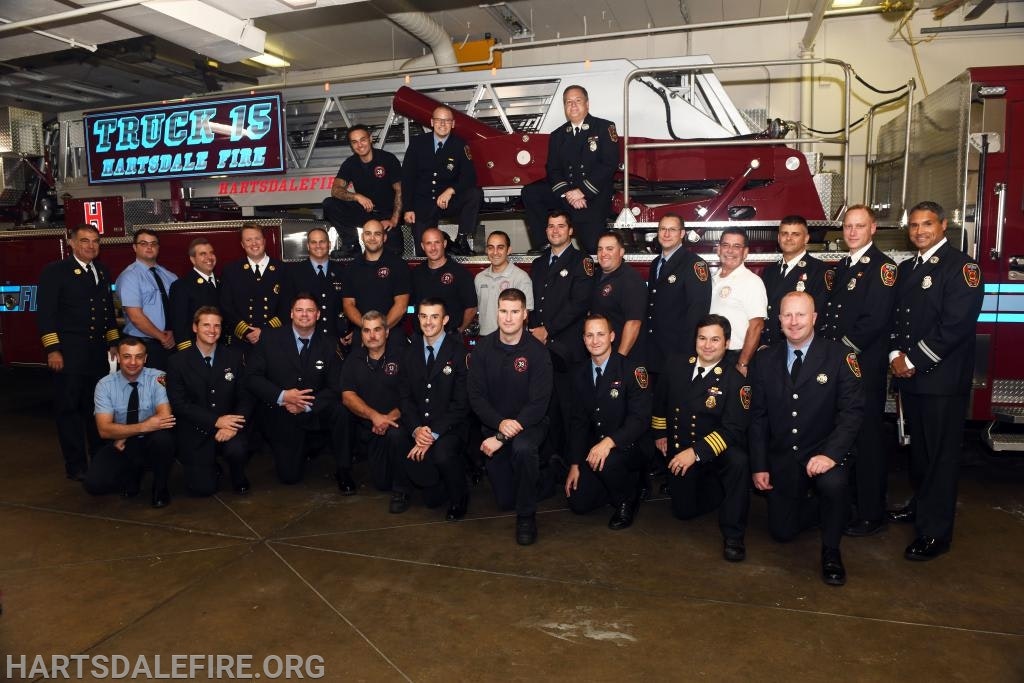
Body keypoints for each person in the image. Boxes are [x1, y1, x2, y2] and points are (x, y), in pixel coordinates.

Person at [888, 201, 984, 561]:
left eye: (927, 224)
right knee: (921, 453)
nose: (919, 231)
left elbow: (955, 326)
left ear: (944, 225)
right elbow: (898, 319)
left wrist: (911, 359)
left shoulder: (962, 268)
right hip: (911, 378)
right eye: (914, 225)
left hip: (941, 381)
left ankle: (935, 533)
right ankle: (920, 505)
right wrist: (894, 355)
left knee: (940, 457)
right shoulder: (910, 267)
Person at [749, 292, 864, 586]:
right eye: (787, 315)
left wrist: (831, 455)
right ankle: (817, 508)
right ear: (779, 320)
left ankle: (831, 550)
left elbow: (852, 413)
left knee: (833, 484)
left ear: (814, 318)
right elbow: (758, 417)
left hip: (823, 451)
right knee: (782, 533)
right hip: (784, 456)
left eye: (801, 315)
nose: (794, 322)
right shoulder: (764, 360)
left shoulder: (840, 357)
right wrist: (759, 465)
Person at [818, 205, 898, 537]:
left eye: (859, 226)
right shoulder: (843, 265)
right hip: (844, 365)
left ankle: (871, 513)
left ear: (873, 229)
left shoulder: (883, 267)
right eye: (848, 227)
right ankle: (850, 504)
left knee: (867, 441)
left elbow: (874, 321)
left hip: (863, 366)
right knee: (845, 436)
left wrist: (837, 354)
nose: (852, 232)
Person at [652, 314, 750, 561]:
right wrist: (661, 433)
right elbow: (660, 402)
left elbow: (733, 429)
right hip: (680, 447)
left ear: (726, 343)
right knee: (683, 512)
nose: (707, 345)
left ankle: (733, 535)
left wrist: (695, 453)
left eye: (715, 340)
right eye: (702, 338)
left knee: (739, 462)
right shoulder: (675, 364)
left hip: (716, 451)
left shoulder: (735, 380)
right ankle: (715, 491)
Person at [468, 288, 553, 545]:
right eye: (503, 311)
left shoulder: (538, 352)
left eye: (514, 312)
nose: (508, 318)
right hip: (495, 424)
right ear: (496, 313)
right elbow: (476, 397)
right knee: (505, 500)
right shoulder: (483, 349)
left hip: (530, 425)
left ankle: (526, 517)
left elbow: (539, 404)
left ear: (524, 315)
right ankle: (545, 479)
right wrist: (499, 426)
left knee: (523, 449)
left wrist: (503, 434)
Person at [37, 224, 120, 481]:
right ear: (71, 243)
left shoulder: (102, 271)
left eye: (95, 241)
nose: (91, 246)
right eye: (84, 241)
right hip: (70, 354)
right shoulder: (56, 272)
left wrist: (113, 342)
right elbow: (46, 315)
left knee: (96, 408)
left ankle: (99, 458)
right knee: (69, 410)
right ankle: (76, 466)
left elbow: (107, 313)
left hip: (96, 354)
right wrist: (53, 350)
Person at [245, 294, 346, 487]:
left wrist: (307, 405)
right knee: (289, 477)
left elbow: (336, 386)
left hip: (315, 411)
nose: (304, 315)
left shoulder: (330, 343)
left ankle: (344, 469)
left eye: (310, 310)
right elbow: (251, 378)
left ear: (317, 315)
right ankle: (301, 450)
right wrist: (283, 396)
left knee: (342, 411)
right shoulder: (269, 339)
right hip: (283, 413)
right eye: (299, 310)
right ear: (291, 313)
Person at [564, 315, 651, 530]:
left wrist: (609, 443)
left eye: (601, 334)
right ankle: (616, 484)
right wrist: (575, 465)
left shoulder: (633, 371)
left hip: (631, 446)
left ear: (612, 336)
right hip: (599, 450)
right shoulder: (579, 373)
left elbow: (640, 420)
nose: (595, 340)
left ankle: (626, 501)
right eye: (590, 335)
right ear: (583, 339)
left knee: (608, 461)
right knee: (578, 502)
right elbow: (578, 422)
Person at [392, 298, 470, 519]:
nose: (428, 322)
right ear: (418, 319)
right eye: (423, 316)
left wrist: (433, 433)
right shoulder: (409, 351)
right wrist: (417, 429)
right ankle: (402, 490)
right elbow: (404, 397)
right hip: (419, 424)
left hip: (449, 427)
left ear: (445, 320)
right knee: (396, 435)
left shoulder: (459, 353)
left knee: (443, 454)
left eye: (434, 317)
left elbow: (461, 405)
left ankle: (459, 497)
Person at [522, 85, 620, 254]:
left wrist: (582, 191)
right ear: (564, 107)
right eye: (568, 102)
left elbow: (609, 164)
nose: (573, 105)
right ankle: (544, 245)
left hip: (592, 198)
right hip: (567, 197)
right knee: (530, 192)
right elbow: (552, 169)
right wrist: (569, 193)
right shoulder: (558, 135)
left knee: (591, 248)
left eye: (578, 101)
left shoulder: (604, 128)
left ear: (587, 104)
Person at [166, 306, 253, 496]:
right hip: (196, 429)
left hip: (229, 426)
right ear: (195, 327)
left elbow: (245, 397)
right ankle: (210, 466)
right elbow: (180, 405)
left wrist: (232, 425)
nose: (212, 330)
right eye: (206, 325)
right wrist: (215, 421)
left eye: (217, 326)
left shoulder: (234, 357)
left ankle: (237, 474)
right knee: (202, 490)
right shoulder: (177, 362)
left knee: (237, 449)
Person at [528, 211, 596, 454]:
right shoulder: (538, 264)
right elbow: (536, 303)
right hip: (542, 349)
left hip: (569, 351)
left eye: (560, 226)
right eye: (550, 226)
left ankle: (574, 463)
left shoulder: (582, 261)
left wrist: (548, 329)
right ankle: (550, 464)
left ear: (570, 231)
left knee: (571, 411)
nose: (555, 231)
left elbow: (579, 303)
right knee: (547, 409)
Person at [85, 336, 176, 508]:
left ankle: (160, 487)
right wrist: (142, 427)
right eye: (127, 356)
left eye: (139, 356)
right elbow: (104, 430)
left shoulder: (158, 378)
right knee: (94, 485)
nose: (133, 362)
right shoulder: (104, 385)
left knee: (163, 440)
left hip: (148, 440)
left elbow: (164, 418)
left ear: (145, 358)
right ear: (118, 357)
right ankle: (132, 474)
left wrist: (124, 432)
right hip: (123, 445)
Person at [401, 104, 481, 256]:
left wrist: (451, 191)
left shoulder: (460, 145)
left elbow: (470, 177)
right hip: (423, 204)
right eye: (438, 120)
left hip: (448, 202)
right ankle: (446, 245)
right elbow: (407, 177)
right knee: (423, 253)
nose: (442, 124)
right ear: (431, 122)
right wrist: (408, 208)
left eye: (447, 121)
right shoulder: (418, 143)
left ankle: (462, 240)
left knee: (474, 193)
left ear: (453, 124)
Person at [340, 311, 405, 494]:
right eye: (367, 330)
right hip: (370, 427)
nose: (372, 335)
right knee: (382, 484)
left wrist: (389, 418)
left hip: (396, 424)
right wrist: (375, 417)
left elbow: (412, 396)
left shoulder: (403, 357)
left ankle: (403, 490)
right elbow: (347, 396)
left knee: (397, 436)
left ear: (387, 332)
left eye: (377, 329)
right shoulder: (353, 360)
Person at [645, 213, 711, 379]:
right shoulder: (655, 264)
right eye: (663, 229)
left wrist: (686, 353)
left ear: (682, 234)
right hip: (655, 351)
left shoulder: (694, 264)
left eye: (672, 229)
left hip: (679, 352)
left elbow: (697, 311)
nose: (666, 234)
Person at [322, 124, 403, 257]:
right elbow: (335, 190)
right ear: (351, 145)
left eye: (363, 139)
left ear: (370, 139)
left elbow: (400, 191)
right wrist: (357, 196)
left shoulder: (387, 159)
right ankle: (351, 245)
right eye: (355, 142)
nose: (360, 145)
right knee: (330, 203)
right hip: (365, 212)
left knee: (393, 253)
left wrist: (394, 220)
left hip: (386, 215)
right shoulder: (350, 163)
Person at [759, 215, 830, 347]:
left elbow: (820, 316)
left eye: (795, 234)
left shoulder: (819, 270)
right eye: (784, 233)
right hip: (769, 347)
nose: (789, 238)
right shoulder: (769, 271)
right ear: (779, 237)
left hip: (799, 347)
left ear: (806, 238)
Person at [341, 219, 411, 347]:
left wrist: (381, 331)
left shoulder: (398, 265)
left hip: (391, 334)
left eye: (377, 234)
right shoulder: (351, 268)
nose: (372, 238)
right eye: (368, 233)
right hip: (362, 334)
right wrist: (368, 331)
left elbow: (401, 306)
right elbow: (348, 305)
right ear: (362, 237)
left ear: (384, 237)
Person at [116, 228, 178, 369]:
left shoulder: (170, 276)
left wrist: (174, 334)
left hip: (171, 343)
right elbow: (136, 316)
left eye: (153, 243)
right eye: (144, 243)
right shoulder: (130, 277)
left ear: (158, 247)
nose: (149, 247)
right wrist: (162, 337)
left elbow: (178, 309)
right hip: (142, 346)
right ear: (135, 247)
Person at [220, 224, 291, 347]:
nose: (254, 243)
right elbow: (226, 306)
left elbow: (288, 306)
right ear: (242, 244)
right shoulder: (231, 271)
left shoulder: (283, 269)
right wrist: (246, 331)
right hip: (242, 341)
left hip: (274, 339)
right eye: (248, 240)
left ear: (264, 240)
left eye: (257, 238)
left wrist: (264, 331)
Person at [709, 228, 767, 377]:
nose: (730, 251)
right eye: (726, 245)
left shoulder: (752, 282)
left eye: (736, 246)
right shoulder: (711, 280)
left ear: (745, 252)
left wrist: (742, 363)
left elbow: (756, 326)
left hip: (736, 357)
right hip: (711, 355)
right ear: (718, 249)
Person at [288, 227, 350, 346]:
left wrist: (350, 330)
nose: (318, 246)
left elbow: (350, 304)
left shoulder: (342, 271)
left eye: (322, 241)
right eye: (313, 242)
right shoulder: (294, 272)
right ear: (308, 246)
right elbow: (288, 307)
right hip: (305, 340)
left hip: (337, 340)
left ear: (329, 244)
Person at [410, 227, 478, 334]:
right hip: (421, 338)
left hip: (450, 338)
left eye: (437, 242)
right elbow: (410, 305)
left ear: (444, 244)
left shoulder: (460, 273)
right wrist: (413, 316)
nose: (433, 248)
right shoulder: (415, 274)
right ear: (422, 246)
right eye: (428, 243)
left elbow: (471, 308)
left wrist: (459, 331)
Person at [590, 231, 646, 358]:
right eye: (600, 249)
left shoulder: (630, 280)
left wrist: (619, 358)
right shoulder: (596, 275)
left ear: (621, 252)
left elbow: (633, 323)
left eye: (609, 249)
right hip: (601, 354)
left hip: (624, 355)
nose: (603, 254)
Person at [474, 230, 534, 337]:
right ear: (486, 250)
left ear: (509, 250)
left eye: (500, 247)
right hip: (485, 340)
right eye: (491, 247)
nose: (495, 252)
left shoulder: (521, 278)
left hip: (511, 342)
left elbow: (526, 316)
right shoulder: (479, 278)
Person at [168, 237, 221, 352]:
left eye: (211, 253)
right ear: (193, 259)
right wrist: (188, 353)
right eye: (203, 254)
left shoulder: (221, 282)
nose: (209, 257)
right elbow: (179, 325)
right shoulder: (181, 286)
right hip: (196, 350)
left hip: (221, 349)